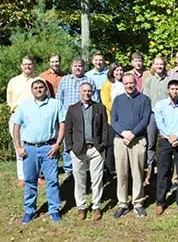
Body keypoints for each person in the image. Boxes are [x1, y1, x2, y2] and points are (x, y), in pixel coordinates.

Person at [12, 78, 65, 224]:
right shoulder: (24, 106)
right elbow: (16, 126)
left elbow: (62, 124)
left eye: (41, 87)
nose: (38, 90)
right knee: (30, 181)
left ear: (46, 89)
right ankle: (29, 211)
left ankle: (54, 210)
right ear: (32, 90)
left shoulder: (55, 104)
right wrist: (18, 147)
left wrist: (57, 144)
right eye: (35, 88)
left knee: (52, 181)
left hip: (49, 148)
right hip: (29, 149)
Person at [64, 82, 108, 221]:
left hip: (95, 149)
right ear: (79, 92)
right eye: (84, 91)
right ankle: (81, 207)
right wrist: (70, 148)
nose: (87, 93)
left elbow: (105, 129)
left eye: (89, 91)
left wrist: (103, 145)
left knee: (97, 179)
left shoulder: (99, 107)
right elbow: (68, 130)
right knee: (80, 180)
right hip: (78, 150)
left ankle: (96, 207)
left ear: (92, 92)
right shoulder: (72, 109)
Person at [111, 73, 152, 219]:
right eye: (126, 83)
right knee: (122, 173)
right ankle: (122, 203)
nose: (129, 86)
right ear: (123, 84)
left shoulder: (144, 99)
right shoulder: (118, 100)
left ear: (136, 83)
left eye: (131, 83)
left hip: (138, 140)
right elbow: (113, 120)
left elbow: (145, 119)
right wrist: (123, 133)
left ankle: (138, 203)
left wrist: (132, 134)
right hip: (120, 140)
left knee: (137, 172)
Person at [154, 79, 178, 216]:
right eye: (172, 89)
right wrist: (170, 137)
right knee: (163, 172)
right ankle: (160, 202)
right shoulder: (160, 105)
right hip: (165, 141)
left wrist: (177, 136)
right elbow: (160, 123)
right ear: (168, 90)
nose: (175, 91)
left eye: (177, 89)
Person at [57, 57, 98, 178]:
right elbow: (59, 100)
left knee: (85, 141)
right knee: (68, 142)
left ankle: (86, 168)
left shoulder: (89, 80)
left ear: (84, 67)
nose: (78, 68)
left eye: (80, 66)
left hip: (86, 116)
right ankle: (69, 170)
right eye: (75, 66)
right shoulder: (65, 80)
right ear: (71, 67)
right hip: (68, 117)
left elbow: (95, 99)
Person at [7, 56, 36, 187]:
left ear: (33, 66)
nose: (27, 67)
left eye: (30, 64)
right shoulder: (14, 81)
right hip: (17, 116)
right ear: (21, 66)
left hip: (33, 118)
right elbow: (10, 100)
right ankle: (22, 177)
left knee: (34, 146)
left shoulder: (37, 81)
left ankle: (36, 175)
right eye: (25, 64)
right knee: (19, 145)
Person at [142, 56, 170, 185]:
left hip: (166, 115)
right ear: (153, 65)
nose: (159, 66)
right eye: (157, 64)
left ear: (164, 66)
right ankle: (150, 170)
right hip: (152, 115)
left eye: (161, 64)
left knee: (166, 142)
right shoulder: (148, 81)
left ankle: (166, 169)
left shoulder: (169, 80)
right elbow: (145, 99)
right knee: (151, 143)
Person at [100, 63, 125, 178]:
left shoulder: (125, 83)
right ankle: (110, 169)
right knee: (111, 145)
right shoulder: (107, 85)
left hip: (124, 120)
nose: (119, 73)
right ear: (112, 72)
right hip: (111, 119)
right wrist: (117, 111)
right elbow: (106, 102)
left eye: (120, 70)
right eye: (116, 71)